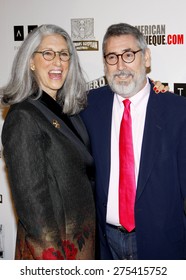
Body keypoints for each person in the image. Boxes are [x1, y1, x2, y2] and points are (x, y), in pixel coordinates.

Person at [80, 23, 186, 260]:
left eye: (128, 55)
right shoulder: (88, 107)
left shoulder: (178, 112)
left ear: (146, 57)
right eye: (111, 57)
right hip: (105, 245)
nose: (120, 66)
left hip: (162, 245)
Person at [0, 24, 96, 260]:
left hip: (82, 245)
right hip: (55, 255)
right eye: (48, 53)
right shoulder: (23, 116)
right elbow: (35, 212)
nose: (58, 62)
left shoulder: (69, 112)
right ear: (31, 62)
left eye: (63, 54)